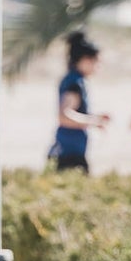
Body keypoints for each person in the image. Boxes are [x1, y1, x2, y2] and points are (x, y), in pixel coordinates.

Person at [50, 31, 109, 172]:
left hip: (70, 149)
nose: (97, 67)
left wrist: (94, 119)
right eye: (96, 62)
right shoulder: (75, 83)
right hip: (70, 152)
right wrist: (94, 122)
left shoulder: (74, 80)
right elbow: (64, 116)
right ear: (85, 60)